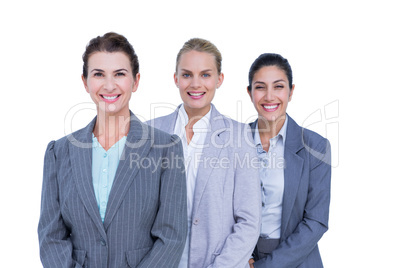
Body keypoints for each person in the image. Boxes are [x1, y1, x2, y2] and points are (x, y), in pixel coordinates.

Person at [38, 32, 187, 268]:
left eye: (119, 74)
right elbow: (51, 237)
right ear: (85, 82)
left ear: (135, 81)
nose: (109, 85)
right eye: (98, 74)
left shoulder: (165, 148)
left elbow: (172, 237)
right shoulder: (60, 152)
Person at [147, 38, 261, 268]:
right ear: (176, 79)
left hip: (217, 261)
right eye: (187, 74)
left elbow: (249, 221)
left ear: (219, 79)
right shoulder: (150, 132)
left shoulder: (239, 136)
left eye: (206, 75)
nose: (195, 84)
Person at [246, 53, 331, 268]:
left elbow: (315, 221)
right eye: (260, 87)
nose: (269, 96)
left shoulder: (315, 147)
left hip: (298, 261)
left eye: (278, 86)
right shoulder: (233, 142)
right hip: (242, 260)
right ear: (250, 93)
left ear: (291, 91)